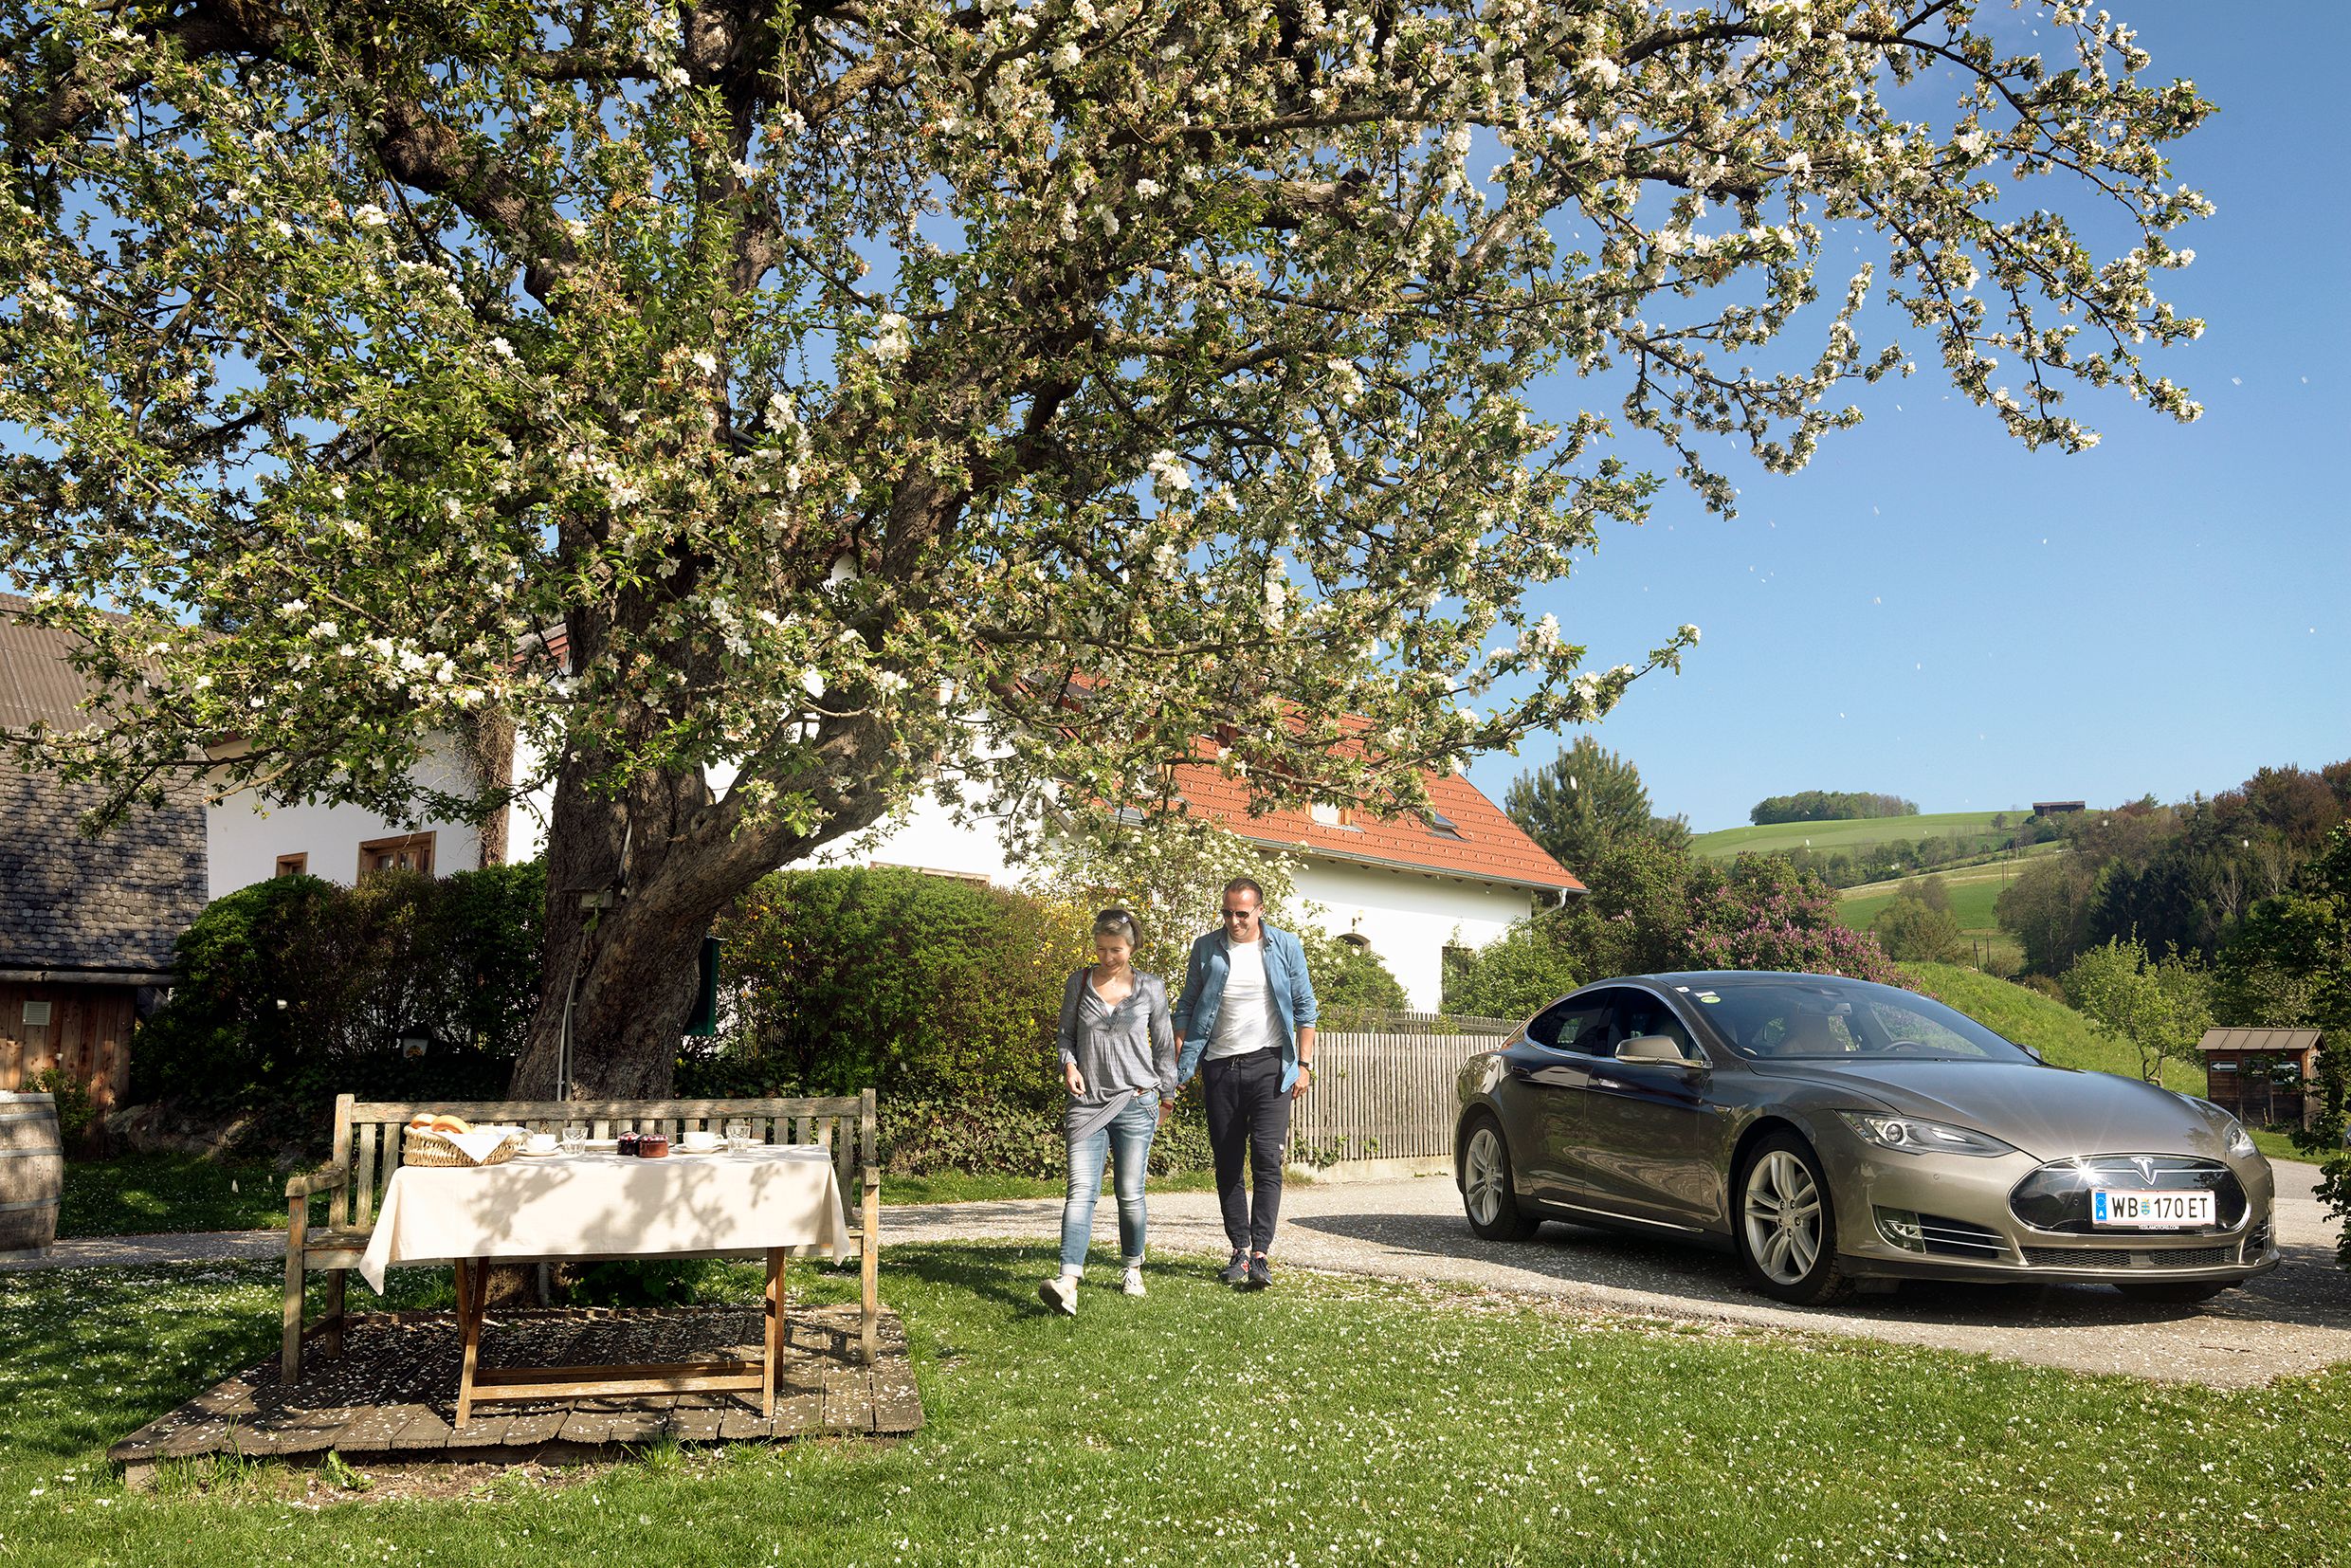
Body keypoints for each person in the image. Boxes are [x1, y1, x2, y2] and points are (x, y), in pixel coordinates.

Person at [1173, 877, 1319, 1291]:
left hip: (1271, 1066)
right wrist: (1184, 1056)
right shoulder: (1206, 948)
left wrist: (1303, 1065)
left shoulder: (1285, 946)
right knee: (1228, 1162)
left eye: (1242, 913)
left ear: (1259, 911)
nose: (1234, 921)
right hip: (1220, 1067)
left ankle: (1261, 1255)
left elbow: (1306, 1009)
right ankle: (1239, 1248)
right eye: (1227, 912)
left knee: (1268, 1161)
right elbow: (1186, 1005)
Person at [1040, 907, 1177, 1317]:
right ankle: (1068, 1282)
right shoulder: (1079, 983)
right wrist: (1069, 1064)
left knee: (1129, 1193)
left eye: (1115, 950)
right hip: (1087, 1104)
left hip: (1137, 1101)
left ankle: (1132, 1266)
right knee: (1081, 1191)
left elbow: (1165, 1047)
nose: (1107, 958)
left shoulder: (1151, 987)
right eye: (1100, 949)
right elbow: (1066, 1034)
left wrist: (1166, 1096)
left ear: (1131, 946)